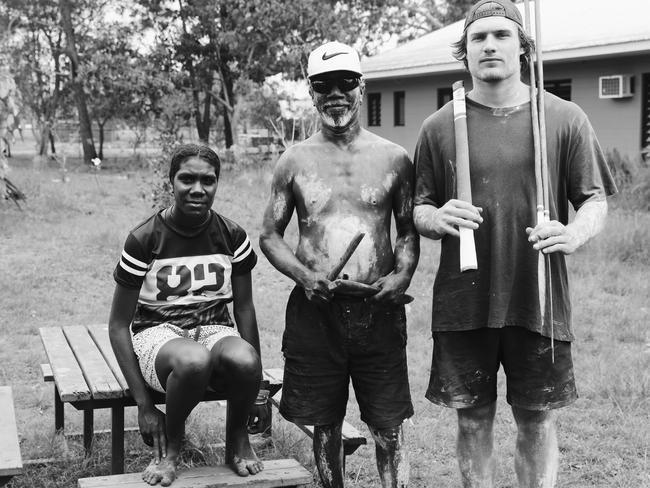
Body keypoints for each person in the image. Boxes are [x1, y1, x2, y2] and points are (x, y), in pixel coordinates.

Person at [413, 1, 617, 487]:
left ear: (524, 48)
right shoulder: (439, 125)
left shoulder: (563, 117)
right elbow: (417, 209)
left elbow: (593, 199)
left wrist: (573, 233)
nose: (489, 45)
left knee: (537, 419)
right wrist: (436, 216)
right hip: (464, 300)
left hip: (539, 297)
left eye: (502, 35)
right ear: (464, 52)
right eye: (478, 37)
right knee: (472, 419)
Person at [260, 41, 420, 488]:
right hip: (317, 312)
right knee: (325, 423)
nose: (335, 93)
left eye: (345, 82)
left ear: (361, 86)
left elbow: (407, 230)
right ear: (311, 92)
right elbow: (269, 235)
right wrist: (306, 277)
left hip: (380, 312)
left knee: (389, 426)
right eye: (324, 84)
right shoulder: (294, 161)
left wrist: (402, 275)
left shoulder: (394, 158)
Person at [108, 143, 268, 486]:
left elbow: (243, 307)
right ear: (171, 182)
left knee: (245, 359)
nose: (198, 189)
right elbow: (119, 325)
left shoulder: (232, 236)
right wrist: (144, 404)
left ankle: (237, 438)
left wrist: (257, 387)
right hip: (158, 335)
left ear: (217, 184)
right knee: (194, 360)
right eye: (187, 179)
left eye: (208, 181)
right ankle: (173, 447)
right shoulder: (144, 239)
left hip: (212, 329)